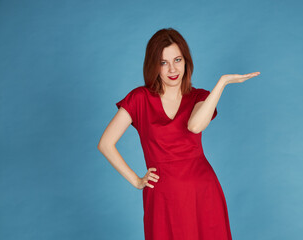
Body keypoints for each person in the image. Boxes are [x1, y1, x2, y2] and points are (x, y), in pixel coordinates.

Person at [97, 27, 260, 240]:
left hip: (202, 192)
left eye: (178, 60)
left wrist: (222, 83)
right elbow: (106, 144)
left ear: (186, 61)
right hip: (162, 196)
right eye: (163, 62)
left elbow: (195, 126)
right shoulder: (139, 99)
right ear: (153, 65)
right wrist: (137, 181)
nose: (172, 69)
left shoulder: (200, 97)